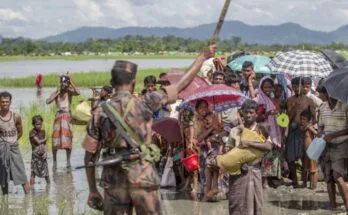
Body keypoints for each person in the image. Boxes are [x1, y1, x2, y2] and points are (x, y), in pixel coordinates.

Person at [82, 44, 216, 214]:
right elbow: (181, 84)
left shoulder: (99, 112)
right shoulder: (145, 103)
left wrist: (93, 190)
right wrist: (202, 57)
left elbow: (89, 156)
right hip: (142, 175)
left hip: (114, 179)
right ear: (133, 83)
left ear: (112, 83)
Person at [228, 99, 272, 215]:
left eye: (251, 112)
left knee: (255, 205)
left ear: (256, 114)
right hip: (238, 172)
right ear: (241, 112)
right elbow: (229, 151)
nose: (248, 115)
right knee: (236, 204)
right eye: (246, 112)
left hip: (254, 170)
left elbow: (268, 146)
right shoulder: (234, 131)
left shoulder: (261, 130)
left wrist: (249, 143)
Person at [317, 92, 348, 212]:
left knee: (338, 176)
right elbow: (320, 125)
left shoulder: (345, 106)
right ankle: (333, 205)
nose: (322, 96)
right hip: (326, 145)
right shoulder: (323, 107)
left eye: (323, 94)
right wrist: (320, 132)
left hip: (342, 145)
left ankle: (347, 206)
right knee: (328, 177)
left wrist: (334, 135)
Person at [286, 77, 316, 186]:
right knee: (290, 157)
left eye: (298, 86)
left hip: (304, 133)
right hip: (292, 131)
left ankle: (304, 182)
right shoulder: (290, 100)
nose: (296, 88)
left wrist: (308, 126)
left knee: (304, 157)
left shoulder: (309, 101)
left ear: (303, 87)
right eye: (294, 86)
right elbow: (289, 117)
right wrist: (296, 107)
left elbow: (314, 118)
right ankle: (294, 180)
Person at [46, 72, 80, 168]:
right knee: (55, 139)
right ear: (60, 83)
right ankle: (55, 161)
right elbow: (47, 101)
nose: (64, 85)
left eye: (66, 83)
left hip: (67, 116)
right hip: (58, 116)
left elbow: (78, 92)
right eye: (62, 83)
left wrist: (71, 81)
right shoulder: (57, 92)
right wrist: (56, 93)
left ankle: (68, 161)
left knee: (68, 138)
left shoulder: (69, 92)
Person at [253, 76, 282, 188]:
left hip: (273, 130)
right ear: (261, 87)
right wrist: (267, 114)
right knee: (264, 155)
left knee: (270, 156)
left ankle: (268, 179)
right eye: (265, 87)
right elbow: (257, 118)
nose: (268, 89)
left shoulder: (273, 100)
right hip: (263, 132)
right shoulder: (259, 100)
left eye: (270, 87)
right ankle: (263, 181)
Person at [0, 91, 30, 195]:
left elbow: (20, 132)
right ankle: (5, 200)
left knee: (21, 173)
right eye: (2, 102)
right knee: (4, 176)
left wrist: (13, 142)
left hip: (14, 148)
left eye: (7, 102)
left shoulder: (15, 116)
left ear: (10, 102)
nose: (5, 104)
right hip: (2, 149)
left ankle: (28, 198)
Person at [299, 109, 318, 189]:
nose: (302, 121)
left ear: (309, 120)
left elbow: (317, 134)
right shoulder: (303, 127)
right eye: (301, 119)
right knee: (305, 168)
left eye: (304, 119)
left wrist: (310, 127)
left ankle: (313, 185)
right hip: (305, 151)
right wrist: (307, 126)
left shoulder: (310, 127)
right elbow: (302, 129)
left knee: (313, 169)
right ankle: (304, 184)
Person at [29, 115, 50, 185]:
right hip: (35, 154)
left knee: (46, 172)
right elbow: (38, 142)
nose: (39, 126)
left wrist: (46, 153)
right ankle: (31, 190)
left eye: (40, 124)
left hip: (42, 153)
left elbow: (45, 144)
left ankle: (49, 188)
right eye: (37, 124)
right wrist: (46, 138)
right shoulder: (32, 132)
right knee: (33, 172)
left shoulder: (43, 131)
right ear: (33, 124)